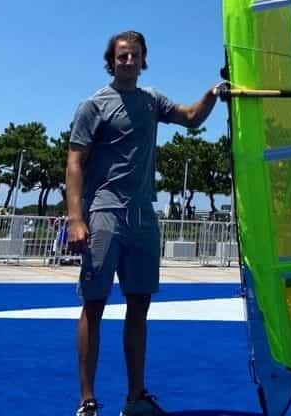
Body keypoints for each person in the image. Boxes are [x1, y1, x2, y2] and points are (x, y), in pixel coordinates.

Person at [66, 29, 223, 416]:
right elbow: (75, 161)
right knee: (94, 304)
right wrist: (76, 218)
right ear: (111, 61)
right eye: (122, 55)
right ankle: (87, 400)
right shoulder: (93, 105)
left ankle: (135, 397)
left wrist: (214, 93)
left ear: (143, 60)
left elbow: (190, 118)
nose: (129, 60)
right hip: (103, 213)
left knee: (139, 305)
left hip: (142, 216)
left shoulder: (152, 100)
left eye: (135, 54)